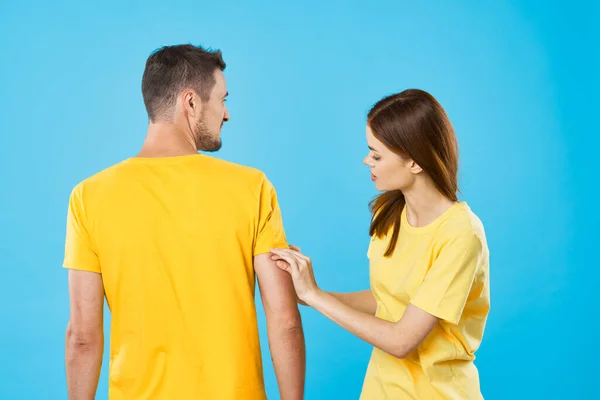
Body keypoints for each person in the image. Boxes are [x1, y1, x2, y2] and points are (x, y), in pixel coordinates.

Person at [63, 44, 305, 400]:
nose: (226, 114)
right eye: (222, 99)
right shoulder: (252, 188)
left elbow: (83, 337)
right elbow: (284, 320)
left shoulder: (88, 196)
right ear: (190, 103)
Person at [271, 89, 490, 399]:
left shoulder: (461, 234)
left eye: (376, 155)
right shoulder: (390, 214)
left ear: (414, 162)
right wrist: (307, 293)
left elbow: (402, 340)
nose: (366, 161)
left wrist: (316, 296)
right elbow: (386, 301)